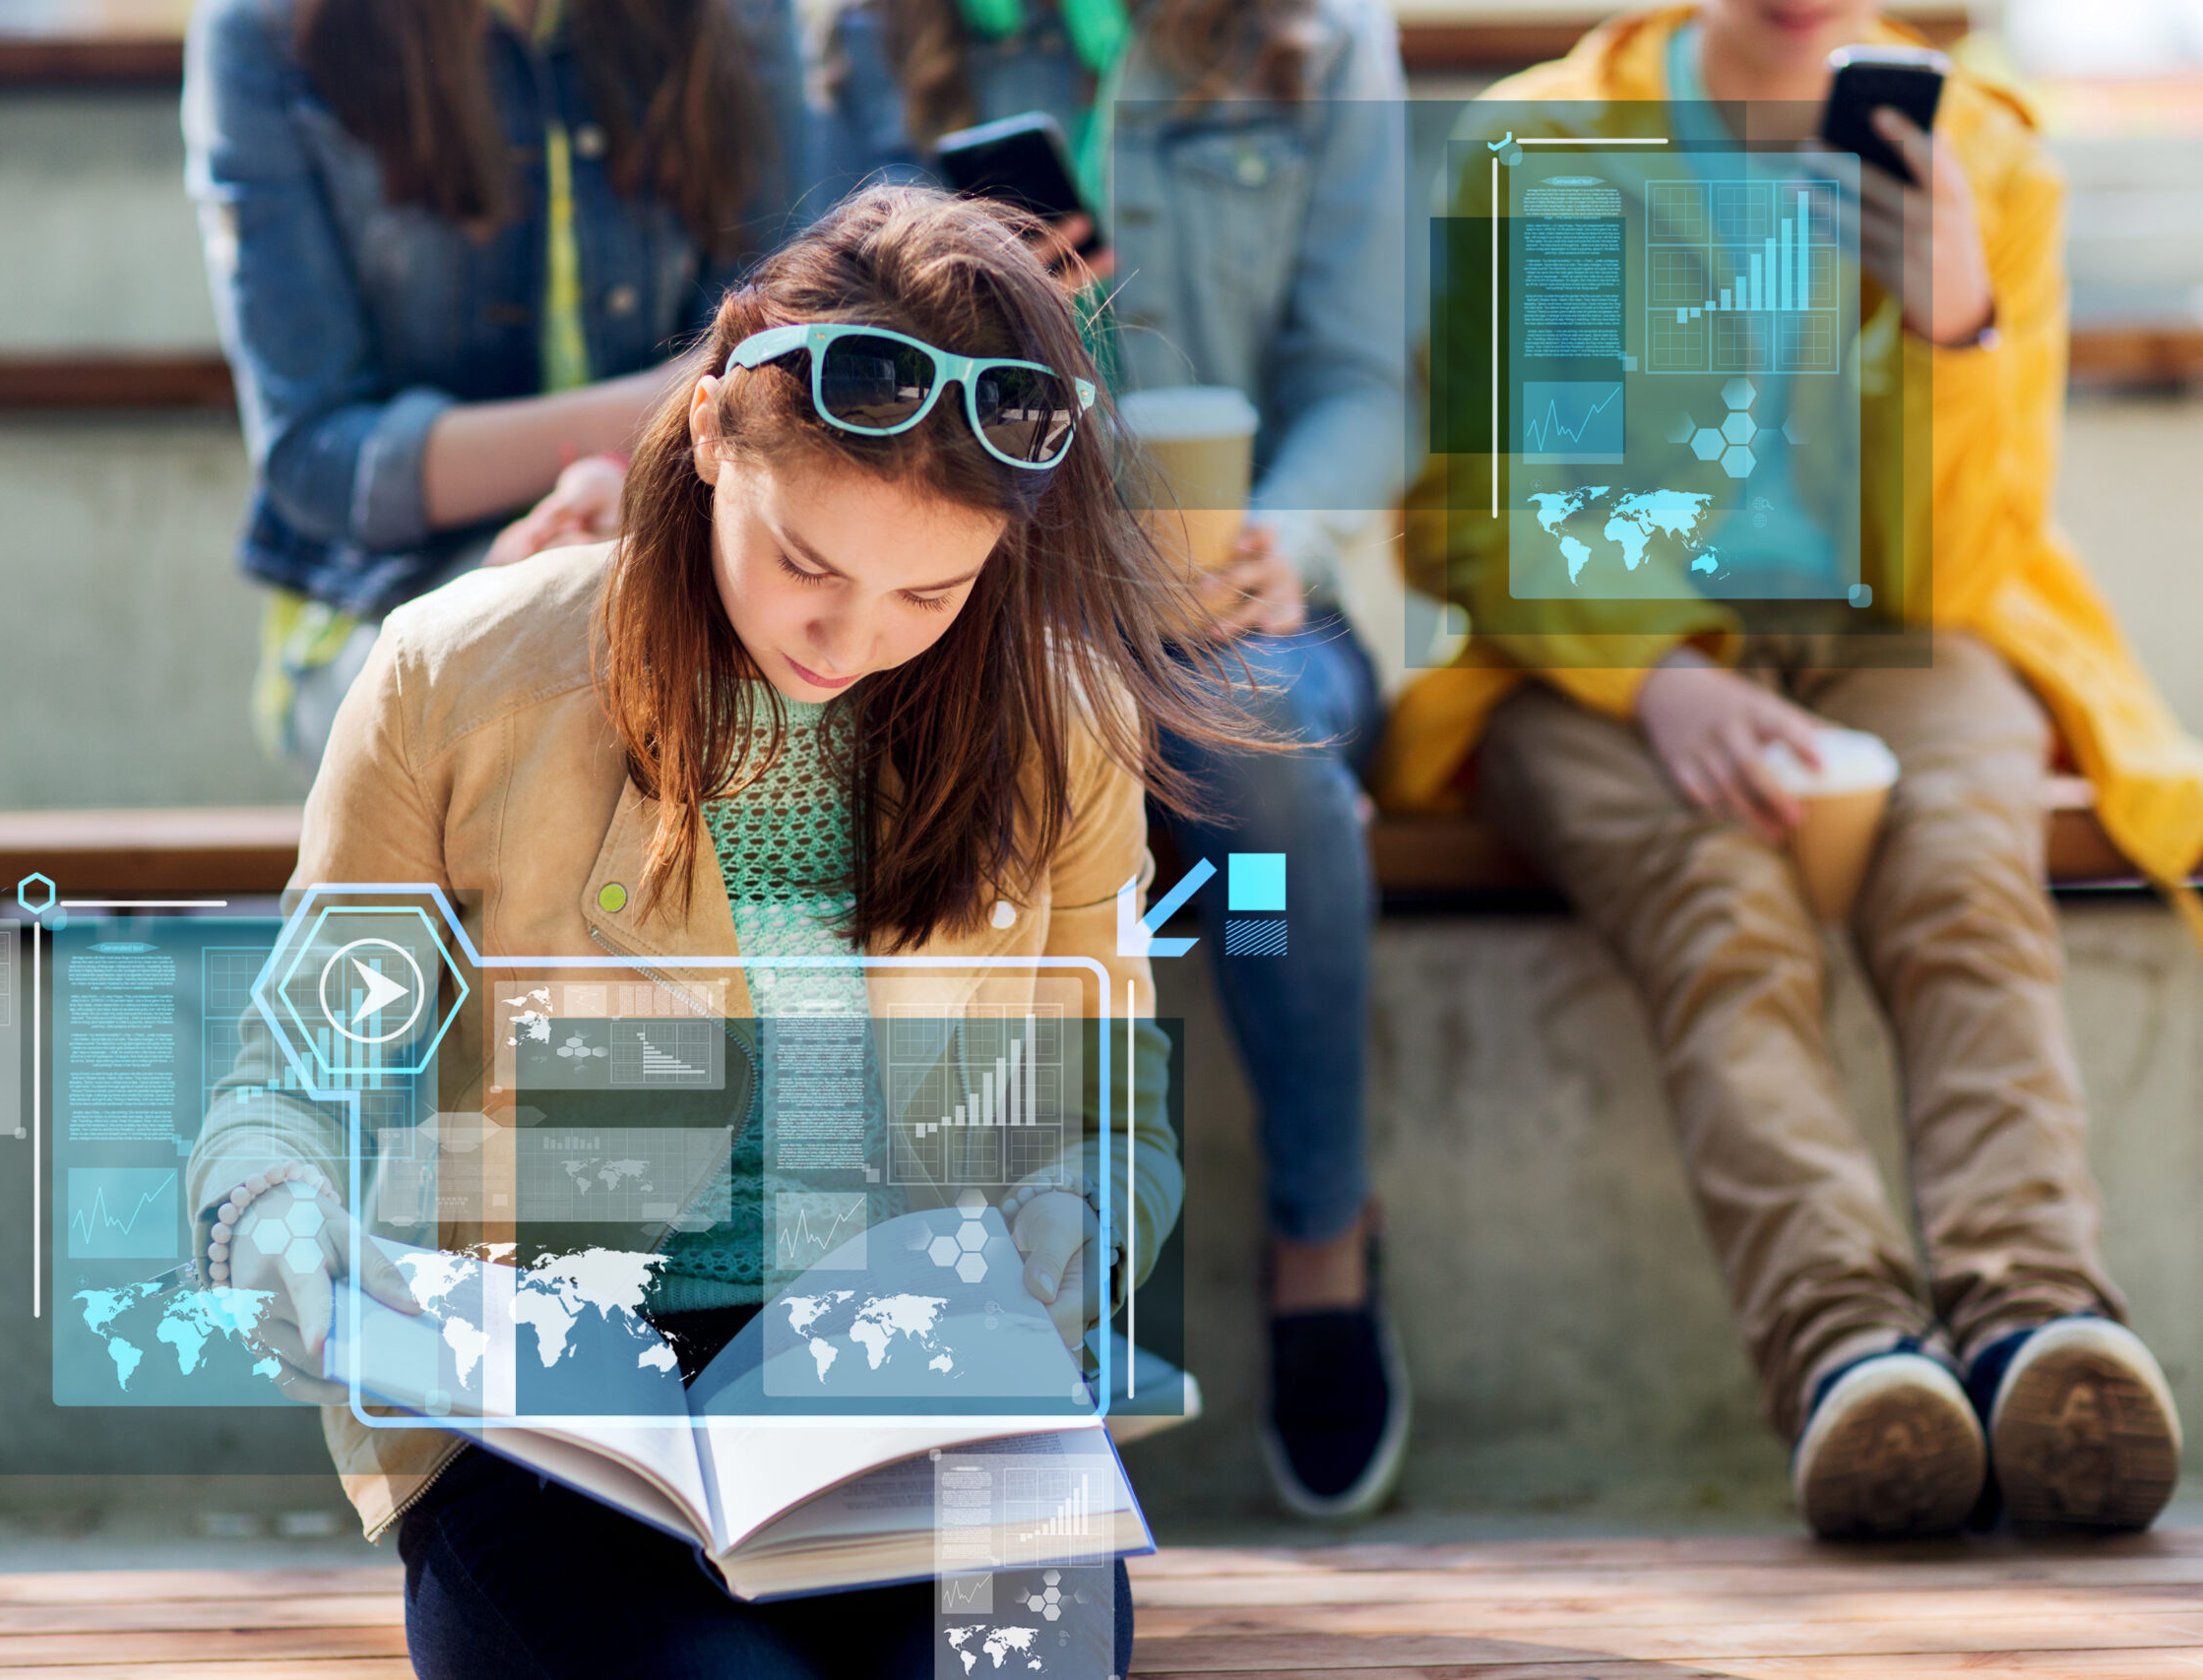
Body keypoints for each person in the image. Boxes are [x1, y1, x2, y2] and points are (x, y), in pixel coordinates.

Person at [185, 185, 1256, 1675]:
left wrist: (1081, 1215)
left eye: (929, 589)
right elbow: (285, 1080)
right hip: (552, 1412)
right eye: (806, 562)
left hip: (910, 1396)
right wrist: (268, 1222)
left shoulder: (1061, 722)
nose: (850, 633)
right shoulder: (454, 670)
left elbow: (1099, 1096)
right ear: (705, 437)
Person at [1382, 0, 2203, 1538]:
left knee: (1968, 869)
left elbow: (1961, 571)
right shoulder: (1543, 149)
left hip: (1901, 625)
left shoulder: (1991, 158)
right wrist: (1658, 674)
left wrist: (1958, 321)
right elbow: (1482, 514)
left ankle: (2039, 1331)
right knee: (1720, 901)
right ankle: (1851, 1358)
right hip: (1593, 651)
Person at [810, 0, 1414, 1517]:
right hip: (988, 593)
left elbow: (1361, 379)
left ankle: (1319, 1235)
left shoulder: (1324, 41)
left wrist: (1294, 536)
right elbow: (809, 348)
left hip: (1245, 601)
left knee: (1253, 790)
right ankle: (983, 1285)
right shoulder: (873, 36)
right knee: (966, 748)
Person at [184, 0, 807, 770]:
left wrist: (630, 501)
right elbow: (314, 456)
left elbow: (787, 365)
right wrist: (646, 426)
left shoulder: (738, 19)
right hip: (389, 591)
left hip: (679, 538)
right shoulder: (265, 31)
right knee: (536, 670)